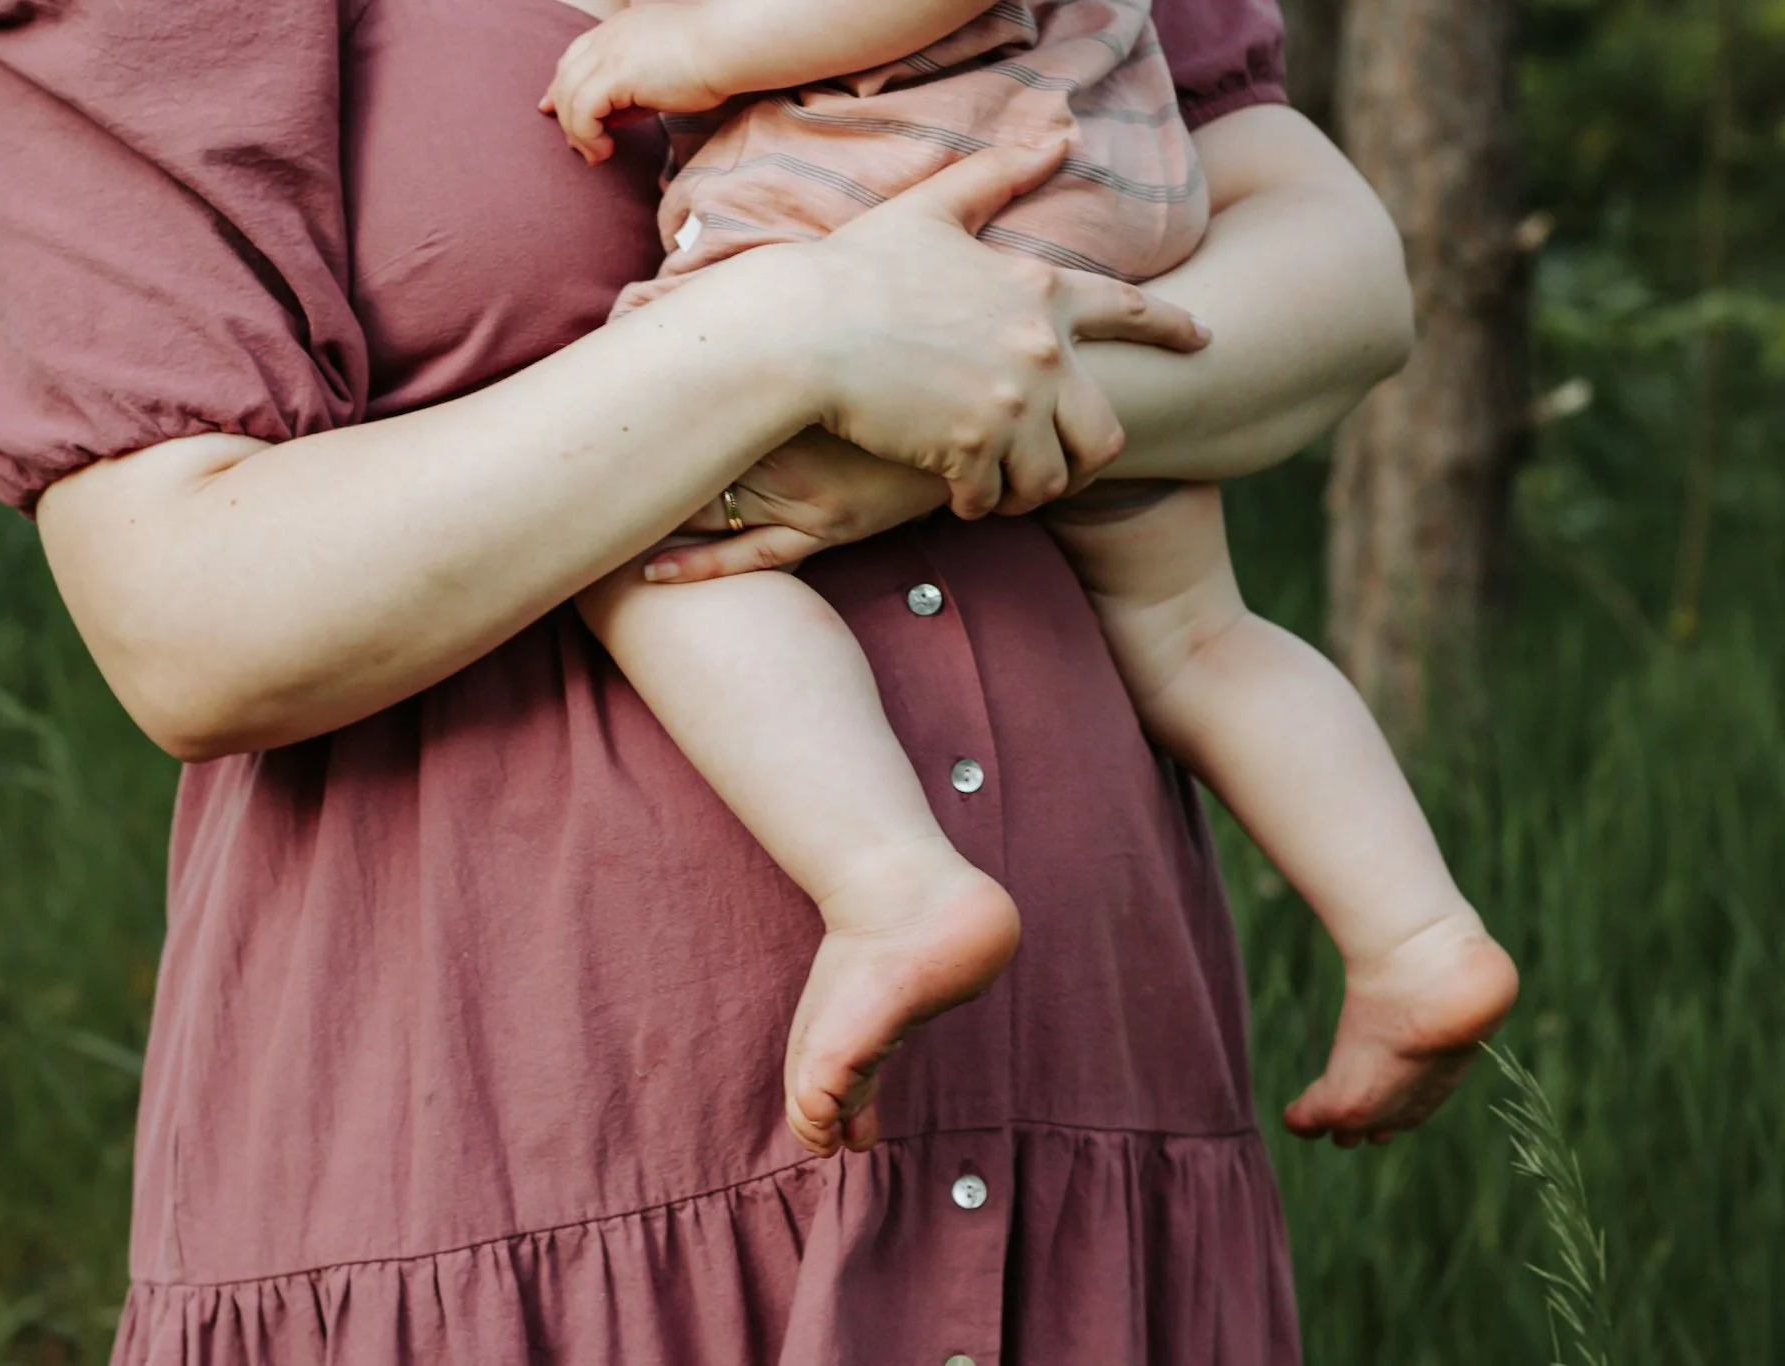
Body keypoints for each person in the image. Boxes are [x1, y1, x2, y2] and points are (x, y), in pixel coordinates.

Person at [0, 0, 1443, 1357]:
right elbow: (187, 623)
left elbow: (1335, 279)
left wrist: (951, 408)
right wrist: (779, 346)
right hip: (511, 1181)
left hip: (1082, 1130)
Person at [542, 0, 1518, 1160]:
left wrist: (695, 48)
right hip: (1090, 195)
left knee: (628, 527)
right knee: (1191, 630)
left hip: (893, 173)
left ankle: (890, 887)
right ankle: (1408, 933)